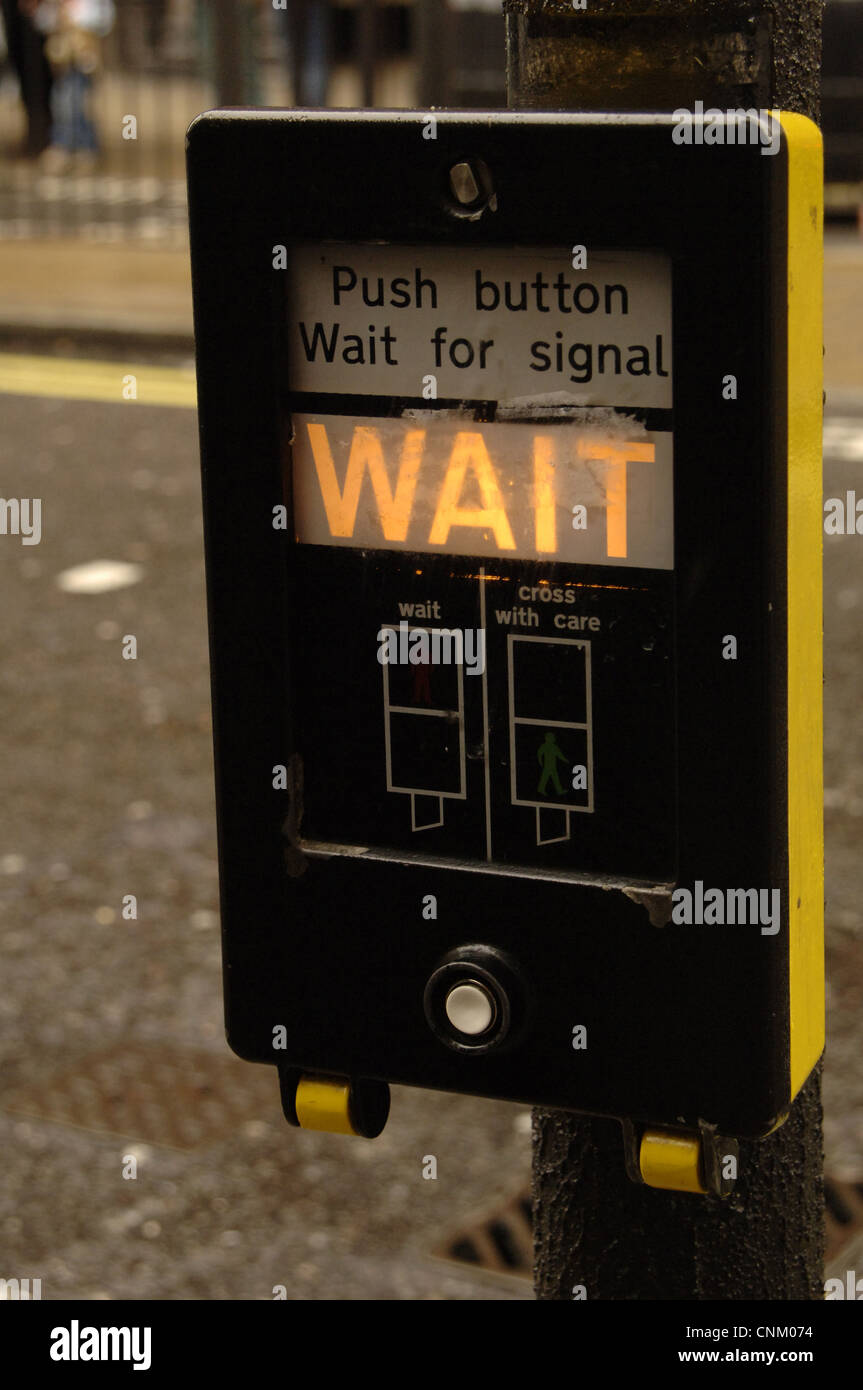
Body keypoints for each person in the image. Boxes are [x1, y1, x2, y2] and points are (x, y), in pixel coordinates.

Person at [30, 0, 115, 170]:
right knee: (62, 103)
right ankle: (69, 145)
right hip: (62, 63)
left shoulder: (92, 4)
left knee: (75, 104)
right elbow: (41, 21)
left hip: (84, 61)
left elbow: (104, 21)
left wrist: (79, 22)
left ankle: (82, 145)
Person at [1, 0, 53, 156]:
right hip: (12, 12)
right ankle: (35, 133)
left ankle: (43, 135)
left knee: (36, 68)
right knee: (19, 62)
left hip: (36, 14)